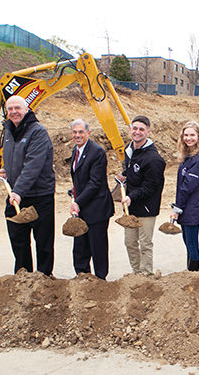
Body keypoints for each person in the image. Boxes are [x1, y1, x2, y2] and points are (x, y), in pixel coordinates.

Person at [0, 95, 55, 276]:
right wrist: (7, 169)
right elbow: (16, 157)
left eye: (17, 108)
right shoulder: (9, 130)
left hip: (39, 195)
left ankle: (43, 277)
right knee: (18, 239)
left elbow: (33, 165)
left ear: (27, 109)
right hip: (16, 195)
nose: (14, 112)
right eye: (10, 108)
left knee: (43, 241)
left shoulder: (38, 132)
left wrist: (18, 191)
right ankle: (23, 276)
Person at [119, 115, 166, 276]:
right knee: (130, 242)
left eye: (141, 129)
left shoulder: (154, 159)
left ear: (148, 132)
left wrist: (131, 197)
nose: (137, 132)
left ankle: (146, 274)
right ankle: (136, 272)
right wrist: (125, 175)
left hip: (146, 207)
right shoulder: (129, 149)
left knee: (145, 243)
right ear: (130, 129)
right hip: (131, 206)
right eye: (135, 128)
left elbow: (151, 186)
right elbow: (132, 170)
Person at [69, 119, 115, 280]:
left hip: (97, 208)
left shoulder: (97, 152)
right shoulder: (76, 150)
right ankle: (82, 276)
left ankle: (101, 280)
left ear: (88, 133)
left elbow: (95, 182)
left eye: (81, 132)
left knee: (97, 246)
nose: (77, 135)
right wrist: (74, 192)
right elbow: (79, 177)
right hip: (82, 206)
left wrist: (77, 201)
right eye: (74, 132)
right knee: (80, 245)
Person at [172, 120, 199, 271]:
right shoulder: (189, 156)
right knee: (187, 241)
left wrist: (177, 208)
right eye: (186, 135)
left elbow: (187, 187)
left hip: (192, 208)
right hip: (186, 206)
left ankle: (194, 275)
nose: (189, 138)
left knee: (192, 243)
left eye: (192, 135)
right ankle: (190, 273)